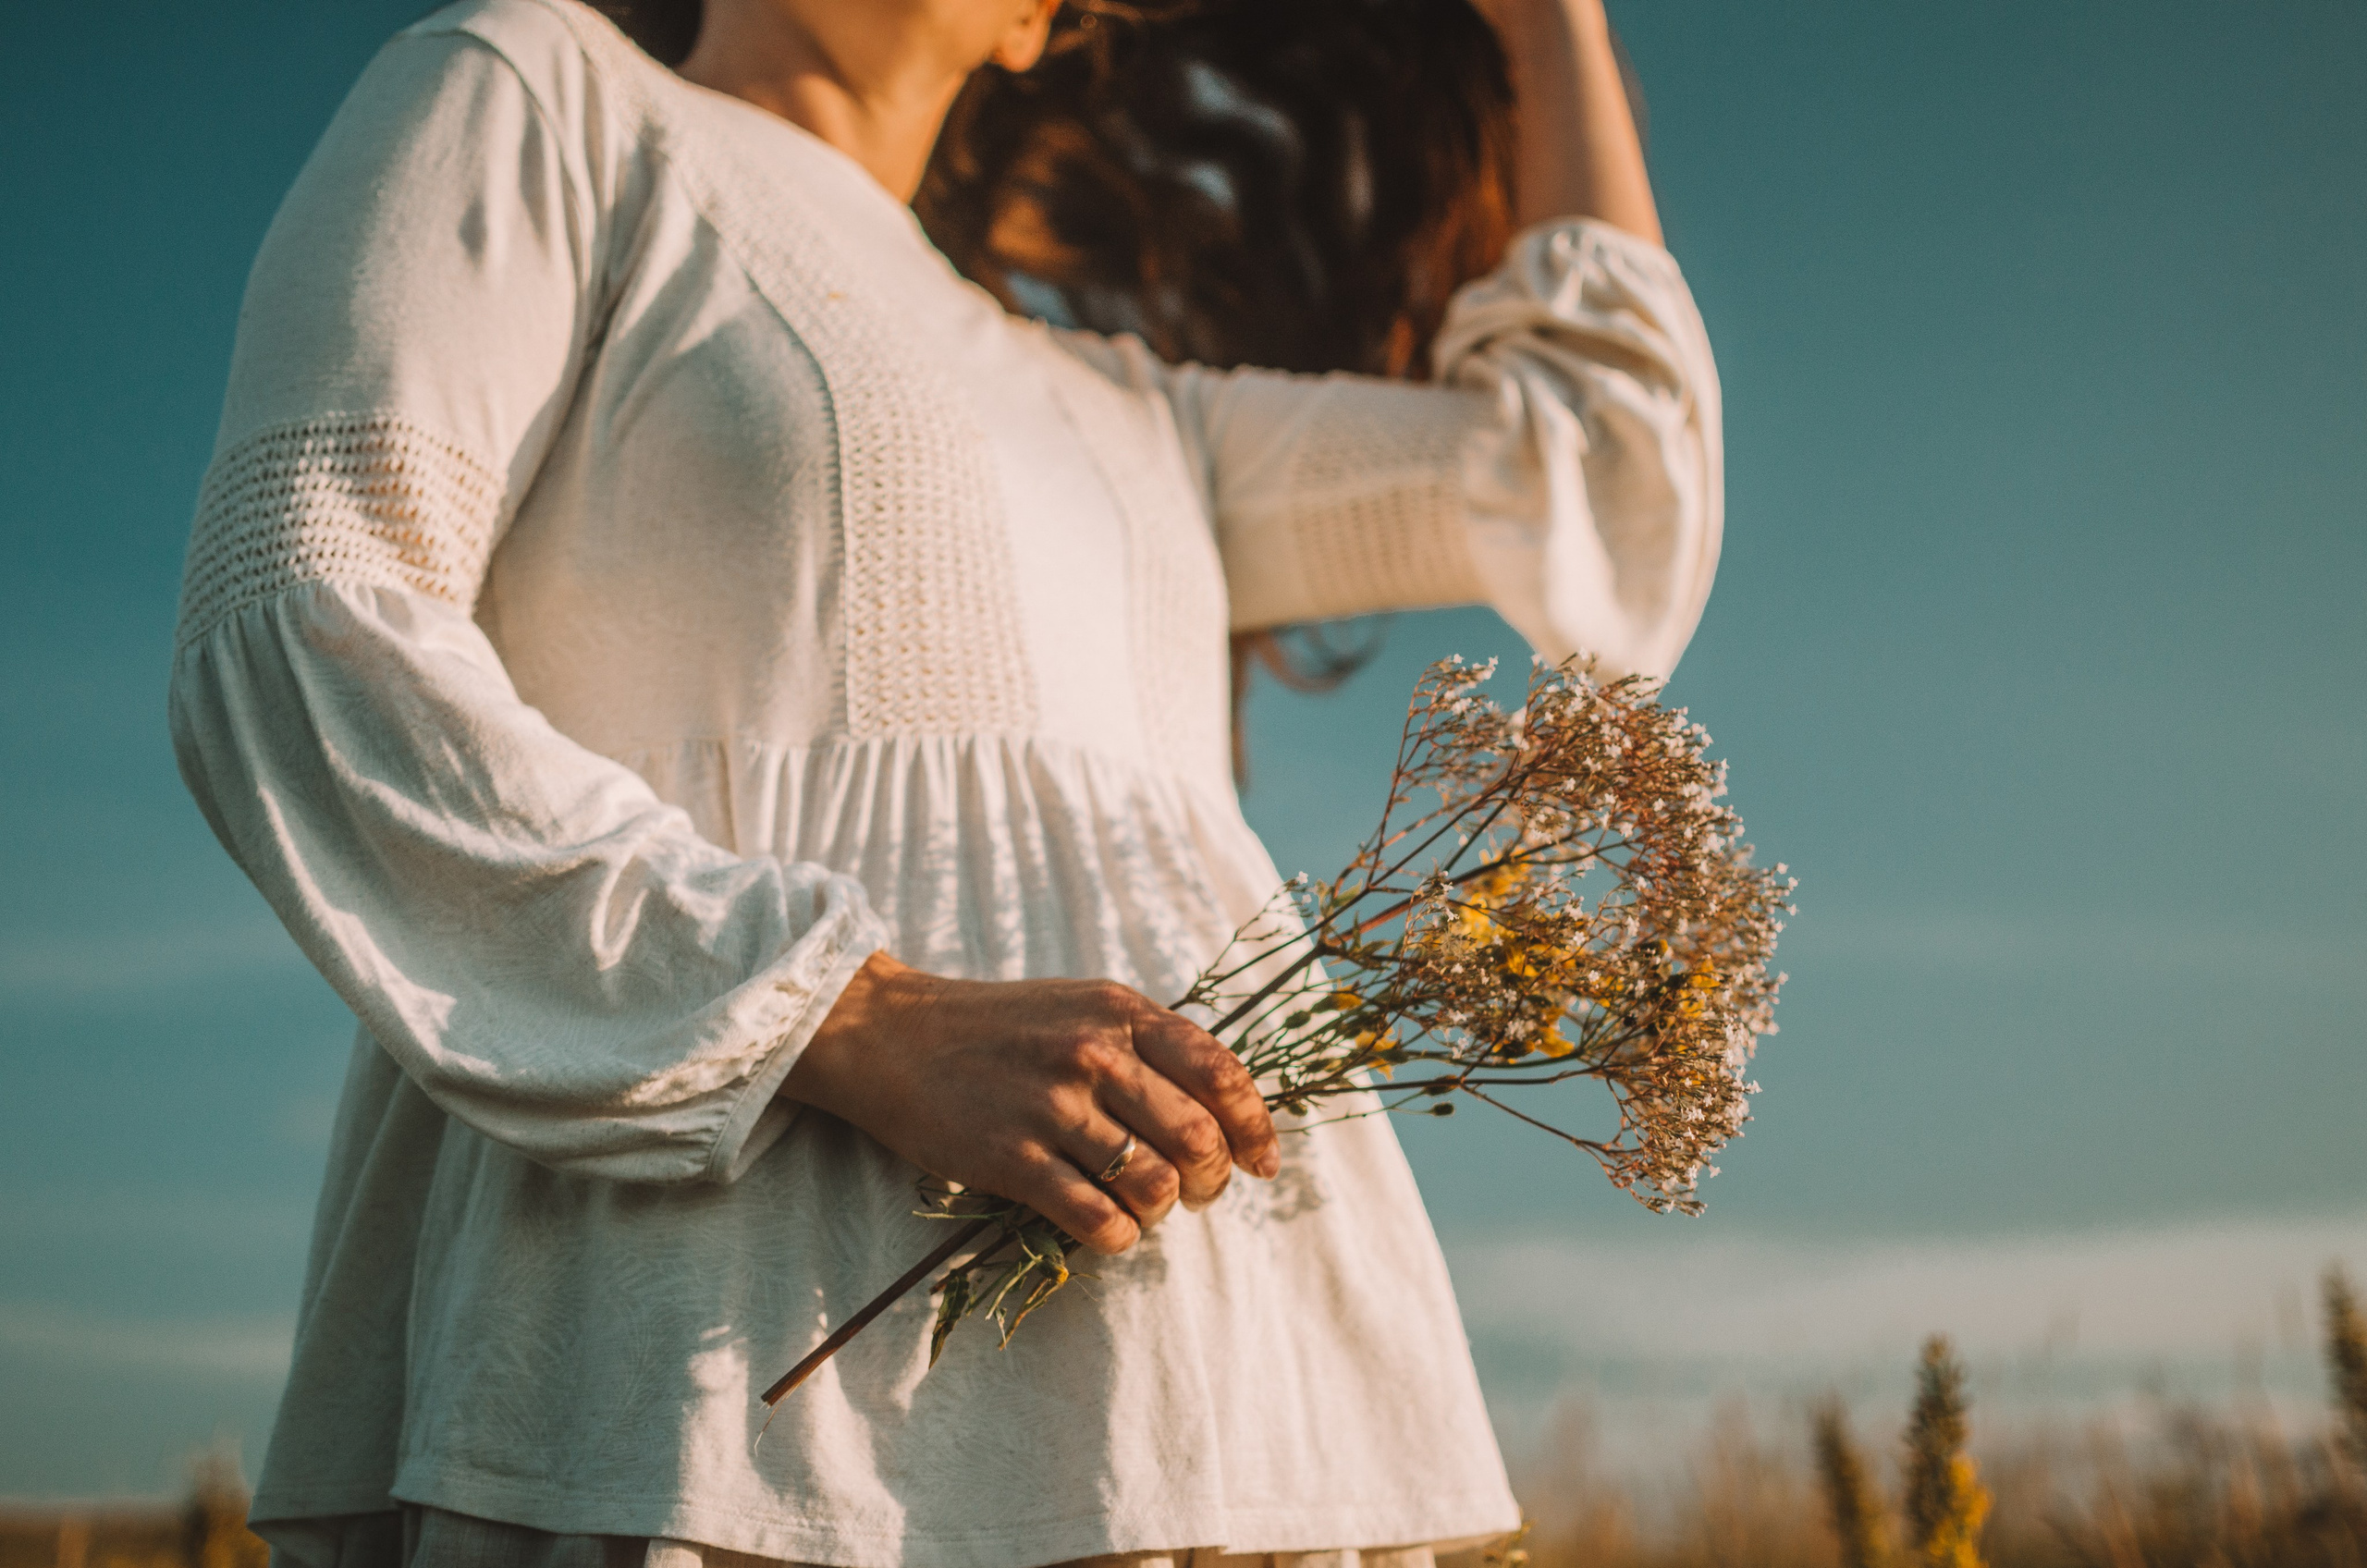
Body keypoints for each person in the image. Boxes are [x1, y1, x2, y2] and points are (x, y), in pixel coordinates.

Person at [166, 0, 1720, 1563]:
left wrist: (1548, 22)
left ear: (1042, 20)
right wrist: (851, 1016)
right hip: (717, 1367)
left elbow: (1604, 474)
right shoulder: (551, 96)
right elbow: (300, 621)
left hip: (1202, 1410)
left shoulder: (1138, 415)